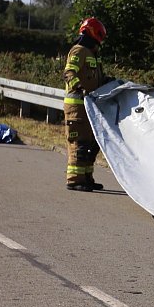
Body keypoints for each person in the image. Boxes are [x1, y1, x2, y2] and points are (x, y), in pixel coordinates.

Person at [63, 16, 108, 192]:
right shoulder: (78, 51)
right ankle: (74, 179)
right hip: (77, 107)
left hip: (89, 107)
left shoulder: (92, 55)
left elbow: (98, 80)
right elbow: (69, 72)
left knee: (90, 143)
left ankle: (87, 177)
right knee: (79, 143)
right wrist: (78, 87)